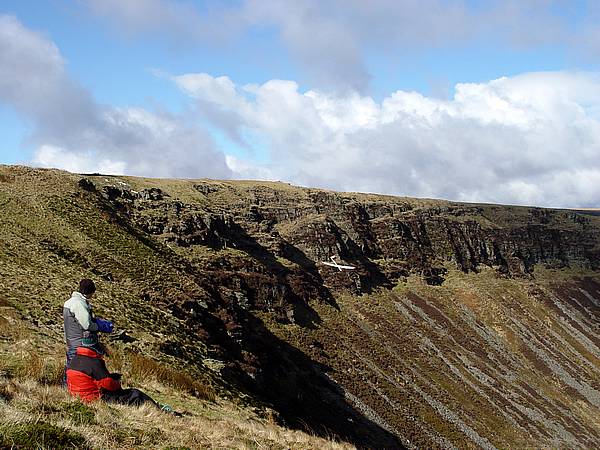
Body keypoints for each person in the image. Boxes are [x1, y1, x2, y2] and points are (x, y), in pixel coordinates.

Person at [66, 335, 179, 415]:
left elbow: (93, 380)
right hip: (95, 399)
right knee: (135, 394)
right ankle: (160, 410)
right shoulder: (94, 362)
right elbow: (109, 384)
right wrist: (117, 383)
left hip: (77, 397)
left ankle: (156, 407)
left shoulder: (74, 359)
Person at [63, 279, 114, 374]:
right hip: (81, 342)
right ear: (90, 291)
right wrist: (98, 326)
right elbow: (87, 325)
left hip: (72, 341)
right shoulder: (79, 304)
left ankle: (67, 387)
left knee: (71, 368)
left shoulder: (69, 302)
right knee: (84, 367)